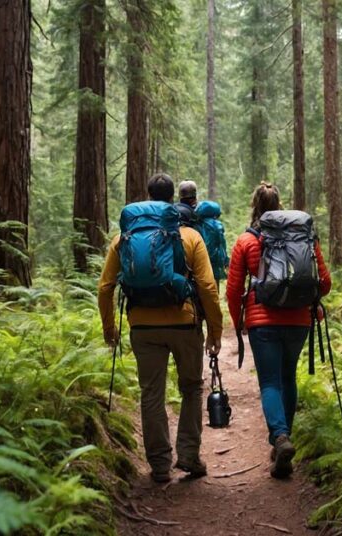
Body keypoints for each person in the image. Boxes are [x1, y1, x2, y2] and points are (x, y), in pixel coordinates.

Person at [99, 173, 224, 483]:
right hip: (184, 324)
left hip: (142, 325)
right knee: (192, 388)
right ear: (173, 200)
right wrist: (215, 332)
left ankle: (158, 465)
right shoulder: (189, 236)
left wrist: (109, 328)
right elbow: (208, 287)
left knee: (151, 393)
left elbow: (105, 287)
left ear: (147, 195)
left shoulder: (124, 238)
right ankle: (189, 456)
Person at [226, 182, 332, 479]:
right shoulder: (303, 237)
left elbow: (233, 290)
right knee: (288, 377)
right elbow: (324, 282)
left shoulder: (246, 242)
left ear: (254, 206)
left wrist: (238, 322)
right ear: (280, 205)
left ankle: (281, 437)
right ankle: (282, 443)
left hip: (263, 323)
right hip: (298, 320)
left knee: (270, 382)